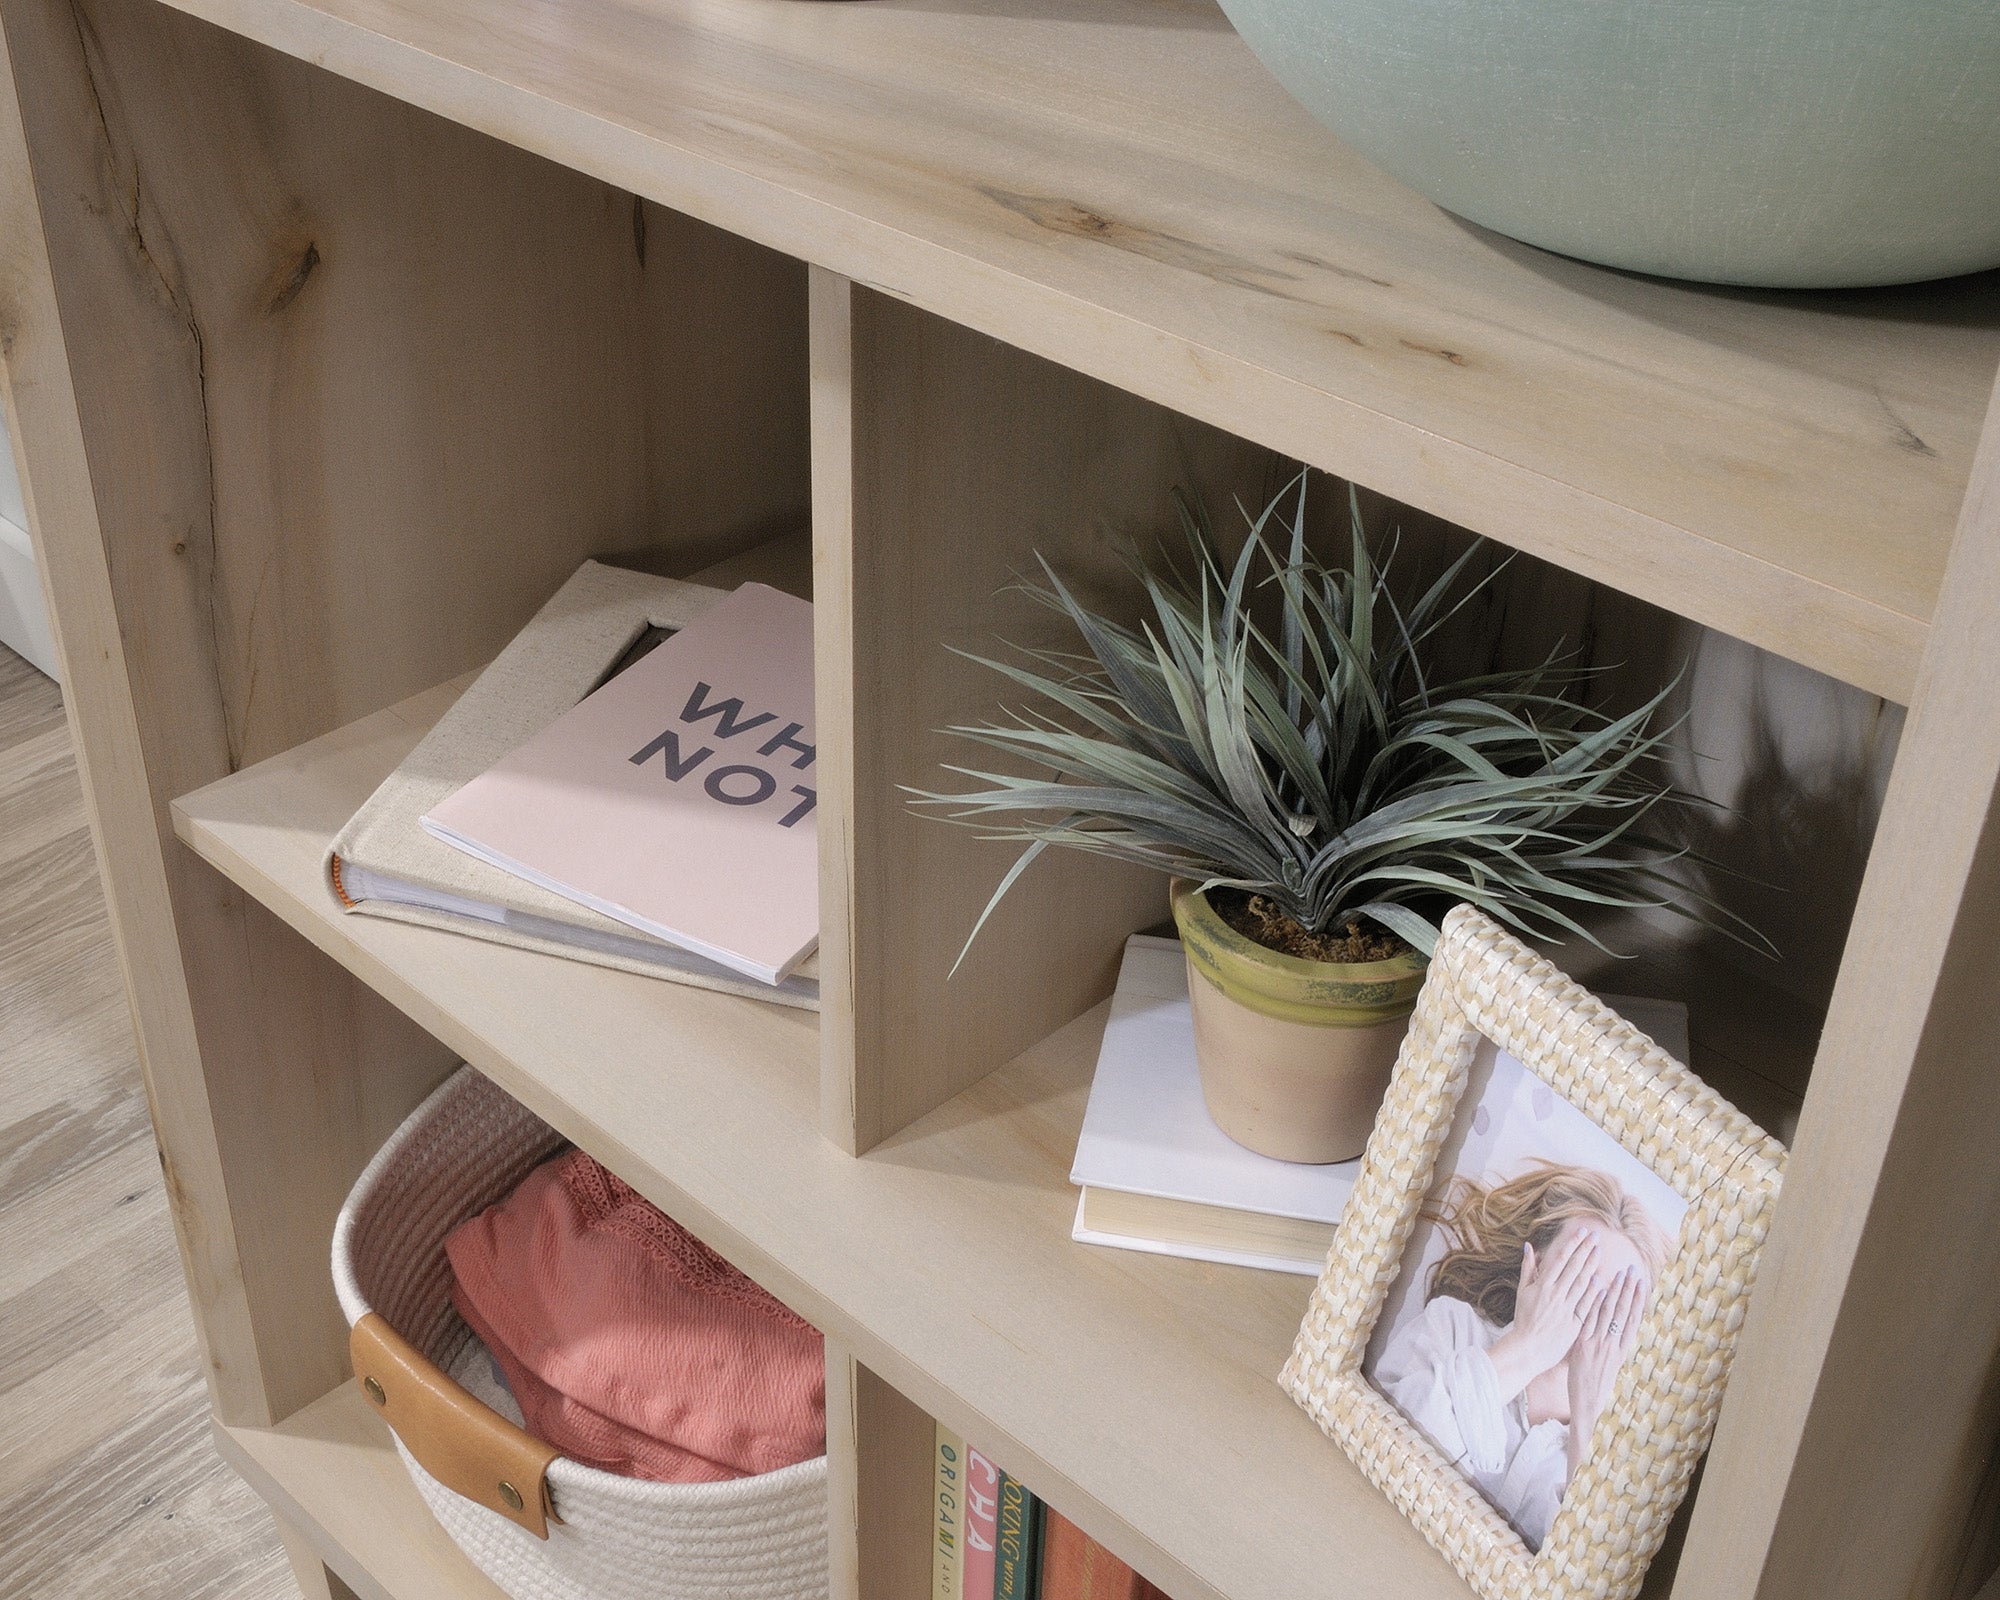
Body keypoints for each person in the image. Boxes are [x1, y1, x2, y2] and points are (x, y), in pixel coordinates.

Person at [1372, 1162, 1671, 1551]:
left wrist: (1589, 1416)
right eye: (1574, 1274)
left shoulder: (1628, 1459)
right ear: (1534, 1266)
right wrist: (1528, 1346)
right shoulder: (1452, 1327)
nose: (1589, 1307)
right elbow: (1386, 1450)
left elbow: (1588, 1570)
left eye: (1617, 1303)